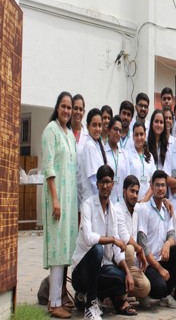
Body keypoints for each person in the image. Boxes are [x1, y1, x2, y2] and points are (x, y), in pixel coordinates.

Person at [72, 165, 136, 319]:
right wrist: (113, 239)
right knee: (97, 249)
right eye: (102, 182)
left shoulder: (113, 211)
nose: (105, 186)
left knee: (122, 280)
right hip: (82, 272)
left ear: (113, 184)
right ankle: (90, 306)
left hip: (101, 268)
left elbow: (117, 252)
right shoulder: (87, 205)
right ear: (97, 184)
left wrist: (128, 273)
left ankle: (87, 296)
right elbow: (89, 238)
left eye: (108, 182)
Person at [42, 91, 78, 319]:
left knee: (66, 248)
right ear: (57, 107)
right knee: (57, 248)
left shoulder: (70, 135)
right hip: (56, 198)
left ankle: (62, 295)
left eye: (69, 107)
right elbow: (48, 167)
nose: (67, 110)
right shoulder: (50, 131)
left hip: (69, 200)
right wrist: (55, 198)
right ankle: (53, 302)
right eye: (63, 106)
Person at [138, 170, 176, 309]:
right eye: (157, 185)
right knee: (159, 287)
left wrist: (167, 244)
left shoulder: (167, 210)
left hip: (162, 258)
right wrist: (159, 269)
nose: (160, 188)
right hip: (149, 263)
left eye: (163, 185)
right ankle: (144, 294)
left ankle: (166, 295)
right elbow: (143, 244)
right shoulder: (144, 209)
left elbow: (172, 236)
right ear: (151, 187)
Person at [115, 175, 151, 308]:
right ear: (124, 191)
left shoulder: (136, 210)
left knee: (145, 287)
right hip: (116, 259)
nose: (135, 195)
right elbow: (124, 236)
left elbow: (151, 203)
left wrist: (165, 201)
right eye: (132, 191)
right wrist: (139, 249)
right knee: (129, 249)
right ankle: (120, 297)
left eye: (137, 192)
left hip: (129, 262)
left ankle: (119, 291)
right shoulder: (117, 209)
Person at [79, 109, 108, 204]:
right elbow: (93, 178)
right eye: (94, 125)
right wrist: (104, 194)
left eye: (100, 125)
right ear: (88, 126)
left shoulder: (98, 144)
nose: (98, 129)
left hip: (98, 199)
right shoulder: (90, 146)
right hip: (91, 200)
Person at [104, 116, 129, 204]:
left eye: (120, 131)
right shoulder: (102, 152)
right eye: (115, 129)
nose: (117, 133)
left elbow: (127, 179)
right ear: (108, 130)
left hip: (122, 203)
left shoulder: (125, 154)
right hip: (108, 201)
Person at [128, 122, 154, 201]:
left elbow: (153, 181)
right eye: (136, 135)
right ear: (132, 136)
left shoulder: (150, 156)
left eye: (141, 134)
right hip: (132, 201)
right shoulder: (127, 155)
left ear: (145, 135)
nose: (139, 137)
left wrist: (144, 201)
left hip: (148, 201)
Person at [70, 94, 87, 208]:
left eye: (81, 109)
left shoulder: (88, 136)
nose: (78, 112)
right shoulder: (65, 132)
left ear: (83, 112)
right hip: (68, 185)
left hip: (84, 189)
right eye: (75, 108)